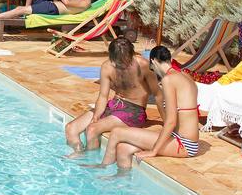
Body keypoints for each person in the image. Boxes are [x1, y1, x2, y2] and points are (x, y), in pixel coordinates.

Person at [83, 45, 203, 177]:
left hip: (184, 144)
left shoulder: (168, 80)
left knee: (117, 133)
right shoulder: (185, 76)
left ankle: (102, 168)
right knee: (123, 148)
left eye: (152, 68)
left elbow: (171, 121)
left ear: (153, 61)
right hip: (184, 139)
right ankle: (120, 182)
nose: (153, 71)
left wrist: (154, 151)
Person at [64, 37, 163, 158]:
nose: (121, 63)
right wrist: (96, 115)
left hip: (133, 111)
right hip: (113, 105)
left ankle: (90, 163)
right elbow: (103, 96)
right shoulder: (107, 67)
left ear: (132, 54)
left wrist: (167, 120)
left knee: (92, 129)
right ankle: (79, 153)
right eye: (118, 60)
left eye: (125, 60)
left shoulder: (143, 66)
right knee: (71, 128)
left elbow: (158, 95)